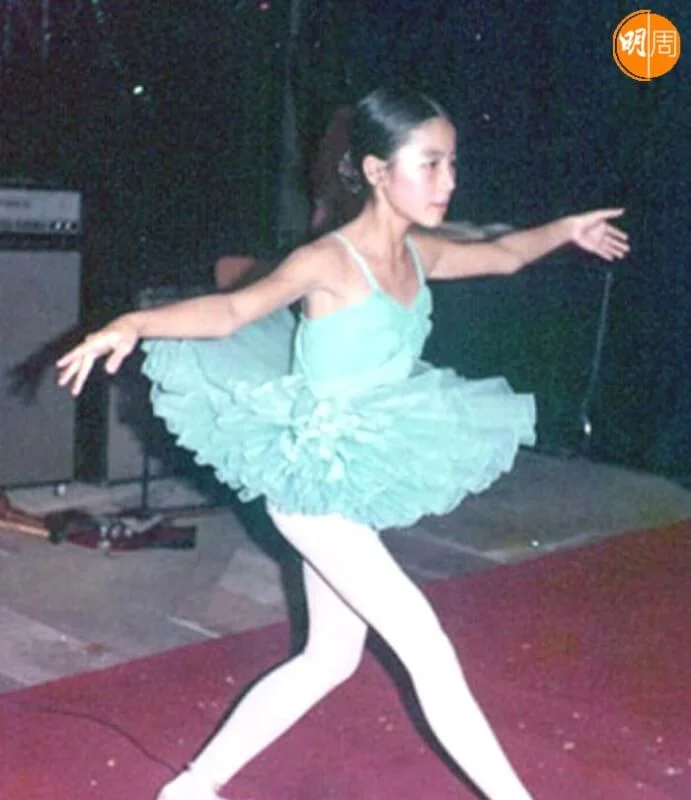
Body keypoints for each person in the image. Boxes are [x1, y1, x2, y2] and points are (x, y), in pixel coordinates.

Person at [56, 86, 629, 800]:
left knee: (330, 659)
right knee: (425, 645)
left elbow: (506, 253)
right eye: (430, 163)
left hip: (355, 467)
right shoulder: (329, 260)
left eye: (452, 163)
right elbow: (233, 309)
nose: (448, 180)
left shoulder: (419, 252)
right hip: (312, 479)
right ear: (378, 171)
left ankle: (193, 788)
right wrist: (132, 325)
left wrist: (567, 228)